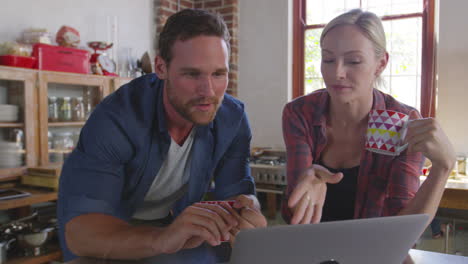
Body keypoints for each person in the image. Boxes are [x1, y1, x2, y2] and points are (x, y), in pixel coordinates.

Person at [57, 9, 266, 263]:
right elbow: (82, 235)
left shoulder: (232, 118)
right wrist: (162, 239)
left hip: (171, 225)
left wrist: (248, 209)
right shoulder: (116, 118)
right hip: (108, 229)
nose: (208, 91)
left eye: (218, 74)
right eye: (192, 74)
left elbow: (237, 192)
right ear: (160, 67)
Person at [281, 9, 455, 227]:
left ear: (380, 64)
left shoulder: (401, 122)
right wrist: (303, 185)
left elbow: (402, 229)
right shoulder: (301, 113)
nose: (337, 73)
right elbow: (293, 217)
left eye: (353, 61)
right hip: (311, 248)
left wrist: (443, 168)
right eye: (328, 59)